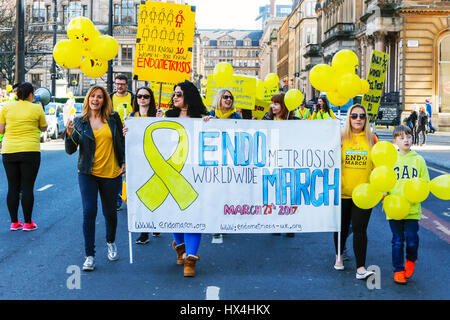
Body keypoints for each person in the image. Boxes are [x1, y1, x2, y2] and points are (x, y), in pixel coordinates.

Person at [65, 86, 125, 272]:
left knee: (110, 213)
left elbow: (120, 142)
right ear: (88, 99)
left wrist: (123, 161)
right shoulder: (79, 122)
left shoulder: (113, 118)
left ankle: (111, 242)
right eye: (93, 96)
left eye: (99, 97)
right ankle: (89, 255)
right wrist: (69, 134)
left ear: (104, 100)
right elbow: (70, 150)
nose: (96, 99)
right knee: (89, 211)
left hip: (111, 173)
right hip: (87, 173)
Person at [165, 80, 208, 277]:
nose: (175, 97)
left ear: (188, 97)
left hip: (194, 174)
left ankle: (190, 259)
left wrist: (211, 125)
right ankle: (180, 248)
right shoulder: (166, 117)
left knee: (193, 217)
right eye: (174, 94)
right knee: (175, 216)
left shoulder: (202, 119)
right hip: (172, 174)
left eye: (179, 94)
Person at [334, 104, 378, 280]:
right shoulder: (341, 137)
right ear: (349, 119)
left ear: (366, 119)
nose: (358, 119)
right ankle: (338, 256)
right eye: (354, 116)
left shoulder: (372, 139)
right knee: (341, 228)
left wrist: (380, 190)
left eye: (361, 116)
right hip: (342, 192)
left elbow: (378, 166)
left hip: (364, 194)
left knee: (360, 229)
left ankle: (361, 267)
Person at [0, 82, 47, 231]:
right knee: (27, 187)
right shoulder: (37, 108)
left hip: (9, 150)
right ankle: (28, 223)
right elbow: (44, 128)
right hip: (30, 150)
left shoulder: (6, 107)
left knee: (12, 187)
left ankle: (14, 223)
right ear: (31, 94)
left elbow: (1, 130)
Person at [388, 125, 430, 285]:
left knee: (412, 240)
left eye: (409, 136)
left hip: (412, 208)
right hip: (394, 208)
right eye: (401, 137)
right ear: (395, 141)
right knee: (397, 240)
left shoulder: (418, 160)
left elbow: (425, 182)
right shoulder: (390, 159)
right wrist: (384, 193)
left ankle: (411, 259)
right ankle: (398, 270)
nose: (406, 140)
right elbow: (383, 180)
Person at [124, 86, 161, 244]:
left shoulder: (157, 115)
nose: (143, 99)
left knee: (154, 194)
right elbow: (126, 142)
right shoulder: (131, 116)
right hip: (137, 162)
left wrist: (161, 121)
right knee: (140, 196)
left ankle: (156, 221)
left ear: (151, 99)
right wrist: (124, 132)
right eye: (139, 96)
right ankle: (144, 231)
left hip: (154, 161)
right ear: (136, 99)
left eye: (146, 96)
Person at [263, 92, 298, 237]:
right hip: (271, 160)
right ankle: (275, 223)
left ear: (283, 105)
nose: (273, 106)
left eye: (276, 103)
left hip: (289, 160)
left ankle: (290, 224)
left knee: (289, 192)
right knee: (273, 193)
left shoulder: (294, 120)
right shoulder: (267, 118)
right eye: (272, 103)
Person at [110, 74, 134, 210]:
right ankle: (118, 199)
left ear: (127, 85)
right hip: (116, 136)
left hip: (131, 135)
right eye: (117, 83)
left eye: (122, 84)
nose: (119, 86)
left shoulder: (133, 97)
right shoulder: (110, 97)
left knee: (132, 167)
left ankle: (132, 197)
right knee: (118, 167)